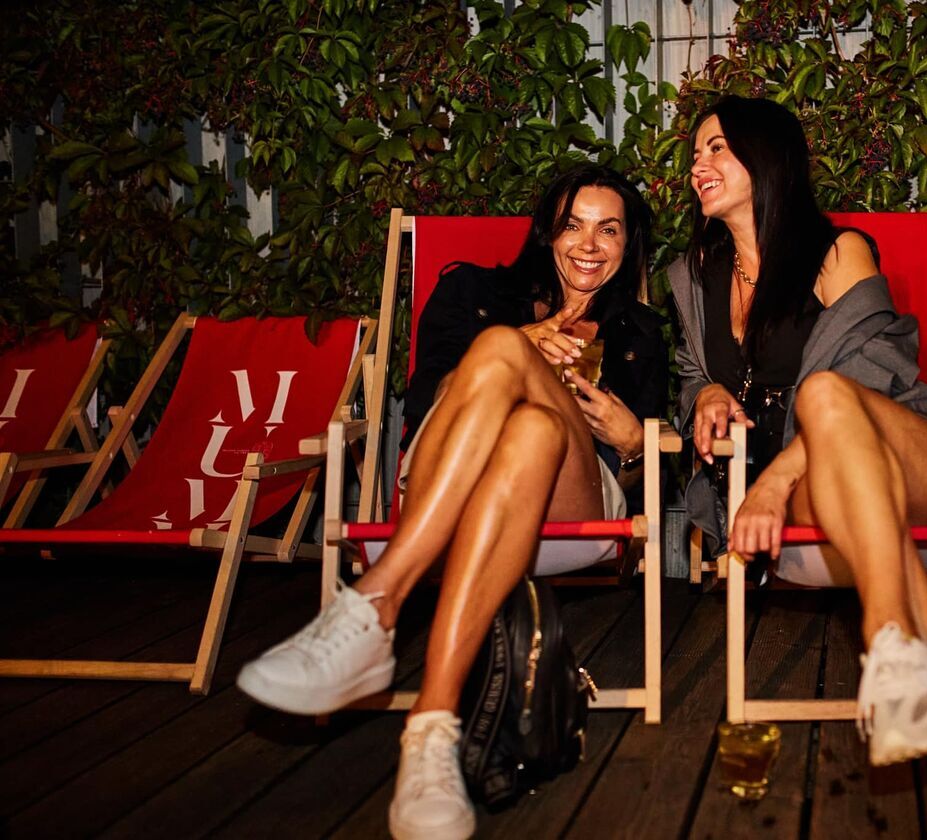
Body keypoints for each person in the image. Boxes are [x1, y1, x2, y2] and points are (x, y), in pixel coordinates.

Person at [237, 164, 667, 840]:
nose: (589, 244)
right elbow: (425, 400)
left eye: (608, 230)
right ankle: (430, 732)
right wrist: (516, 351)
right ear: (546, 233)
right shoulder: (472, 291)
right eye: (572, 225)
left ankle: (375, 603)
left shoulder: (639, 332)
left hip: (575, 503)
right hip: (450, 476)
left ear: (627, 244)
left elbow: (644, 479)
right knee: (524, 414)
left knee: (518, 381)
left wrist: (634, 441)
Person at [673, 95, 927, 839]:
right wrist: (706, 395)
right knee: (869, 515)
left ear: (766, 157)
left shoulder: (837, 253)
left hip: (913, 455)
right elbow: (690, 373)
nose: (698, 165)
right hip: (833, 490)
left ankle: (893, 647)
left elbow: (871, 377)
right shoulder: (694, 276)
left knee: (825, 393)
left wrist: (773, 481)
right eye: (694, 154)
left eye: (717, 147)